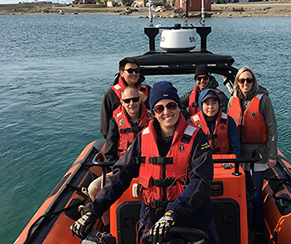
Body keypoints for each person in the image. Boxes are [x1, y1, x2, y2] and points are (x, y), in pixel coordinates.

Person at [72, 81, 219, 244]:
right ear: (153, 112)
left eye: (171, 105)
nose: (166, 112)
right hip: (153, 219)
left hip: (192, 219)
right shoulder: (143, 139)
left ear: (178, 107)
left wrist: (172, 213)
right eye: (159, 108)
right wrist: (92, 211)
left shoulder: (198, 138)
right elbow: (120, 176)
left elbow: (201, 181)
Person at [227, 66, 278, 244]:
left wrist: (272, 154)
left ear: (254, 82)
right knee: (242, 192)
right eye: (242, 81)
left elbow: (272, 127)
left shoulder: (263, 100)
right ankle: (242, 225)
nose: (245, 84)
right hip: (239, 154)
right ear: (237, 83)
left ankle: (257, 230)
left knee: (255, 195)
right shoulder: (232, 100)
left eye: (249, 80)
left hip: (258, 154)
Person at [100, 57, 151, 139]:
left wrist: (146, 100)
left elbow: (159, 113)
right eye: (130, 71)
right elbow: (105, 127)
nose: (134, 73)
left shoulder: (148, 91)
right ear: (122, 72)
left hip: (147, 141)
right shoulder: (111, 94)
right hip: (122, 144)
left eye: (137, 71)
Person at [104, 86, 151, 162]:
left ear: (140, 100)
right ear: (122, 102)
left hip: (147, 164)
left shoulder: (151, 119)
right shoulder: (115, 121)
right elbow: (110, 153)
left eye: (135, 99)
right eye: (127, 101)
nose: (131, 103)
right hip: (125, 165)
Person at [189, 89, 240, 157]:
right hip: (201, 163)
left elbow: (235, 147)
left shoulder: (229, 121)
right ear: (201, 105)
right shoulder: (192, 123)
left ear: (219, 103)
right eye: (207, 103)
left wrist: (233, 162)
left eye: (214, 103)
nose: (210, 107)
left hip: (225, 162)